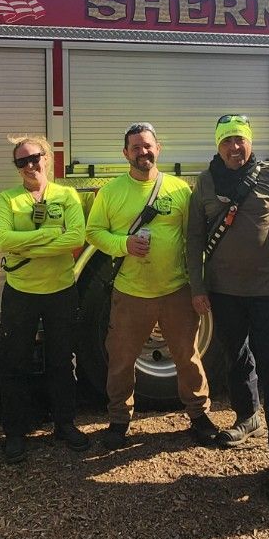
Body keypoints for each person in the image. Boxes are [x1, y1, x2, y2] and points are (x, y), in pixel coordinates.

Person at [187, 115, 269, 499]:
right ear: (217, 145)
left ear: (250, 142)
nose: (234, 148)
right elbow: (193, 240)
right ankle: (247, 416)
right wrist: (198, 287)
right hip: (223, 292)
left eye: (240, 140)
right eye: (227, 142)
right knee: (235, 356)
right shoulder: (205, 183)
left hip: (267, 291)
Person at [85, 122, 219, 451]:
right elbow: (93, 232)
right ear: (125, 153)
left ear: (158, 148)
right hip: (131, 292)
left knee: (187, 357)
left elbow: (193, 240)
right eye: (135, 147)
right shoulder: (111, 192)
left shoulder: (178, 190)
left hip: (176, 290)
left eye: (147, 146)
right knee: (120, 360)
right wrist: (124, 244)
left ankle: (199, 416)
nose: (142, 152)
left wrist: (197, 285)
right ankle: (118, 421)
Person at [0, 135, 89, 462]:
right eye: (22, 161)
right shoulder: (8, 199)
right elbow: (3, 239)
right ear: (17, 167)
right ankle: (15, 434)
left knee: (63, 361)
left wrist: (29, 244)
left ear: (47, 158)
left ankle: (65, 424)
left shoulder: (67, 194)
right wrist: (49, 235)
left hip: (61, 290)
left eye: (35, 158)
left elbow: (76, 237)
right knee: (13, 363)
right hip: (21, 293)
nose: (30, 165)